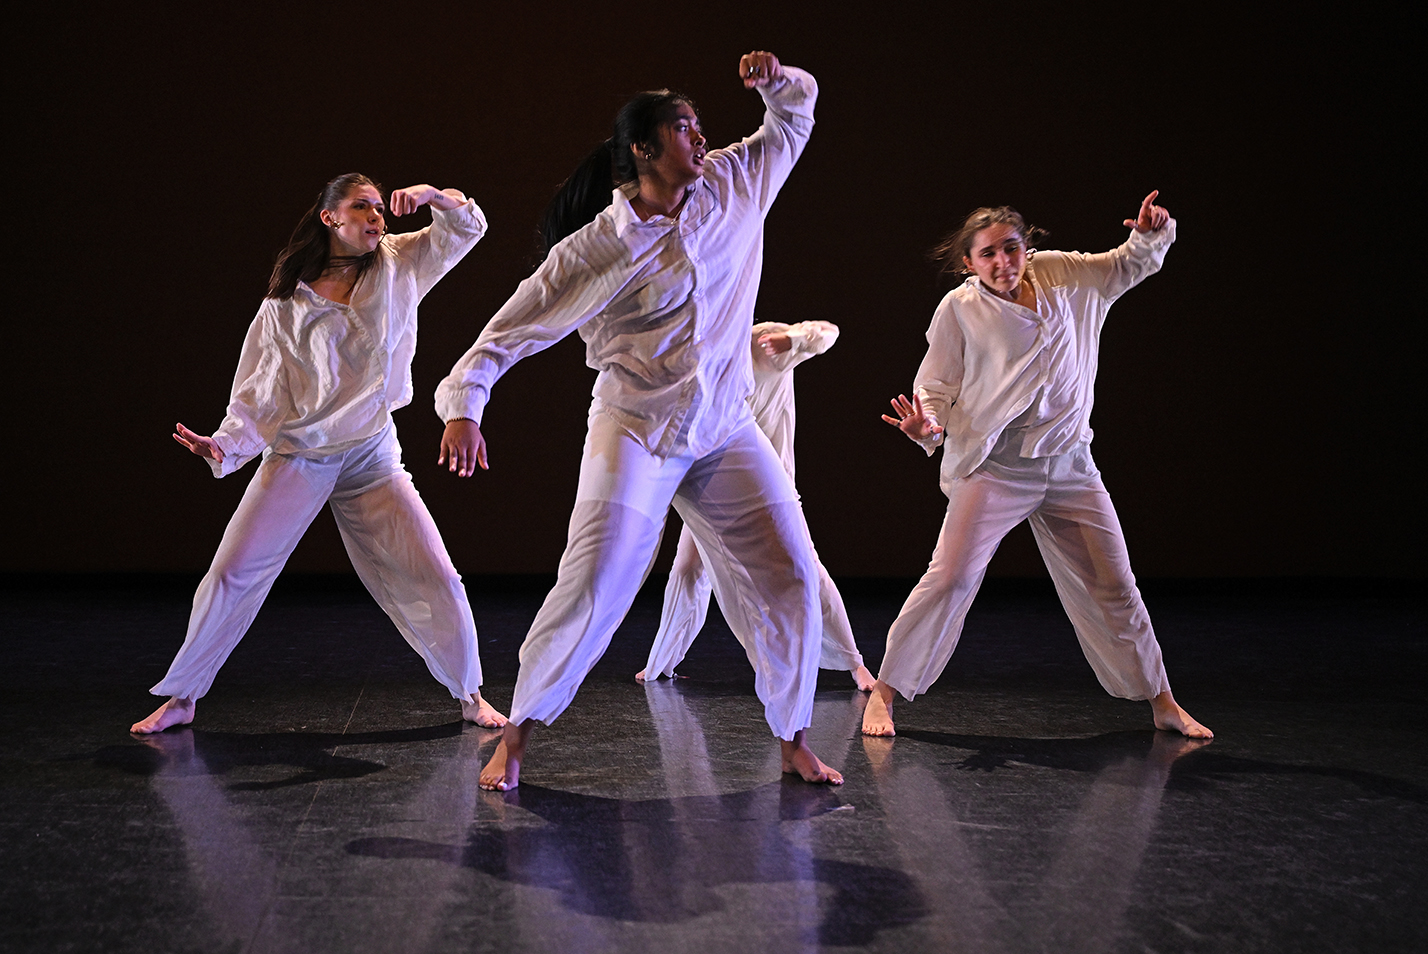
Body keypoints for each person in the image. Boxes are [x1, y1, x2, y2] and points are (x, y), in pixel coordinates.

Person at [436, 51, 843, 790]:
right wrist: (466, 404)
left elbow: (796, 118)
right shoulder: (599, 248)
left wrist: (776, 81)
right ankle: (517, 738)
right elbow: (509, 330)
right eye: (682, 128)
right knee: (597, 580)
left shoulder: (735, 183)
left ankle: (793, 738)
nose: (701, 136)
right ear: (643, 150)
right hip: (636, 429)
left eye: (699, 124)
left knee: (790, 573)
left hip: (723, 426)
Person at [131, 173, 506, 734]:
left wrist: (431, 196)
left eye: (381, 208)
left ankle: (470, 693)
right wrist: (226, 443)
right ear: (331, 218)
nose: (378, 217)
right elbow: (262, 395)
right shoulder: (285, 303)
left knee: (436, 574)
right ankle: (182, 696)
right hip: (300, 455)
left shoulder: (399, 261)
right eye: (363, 207)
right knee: (232, 572)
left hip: (371, 452)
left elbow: (467, 228)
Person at [862, 192, 1211, 740]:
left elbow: (1125, 265)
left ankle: (1161, 701)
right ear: (968, 264)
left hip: (1070, 463)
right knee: (950, 577)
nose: (1003, 262)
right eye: (987, 255)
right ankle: (883, 693)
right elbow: (934, 384)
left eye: (1011, 247)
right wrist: (927, 425)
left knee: (1115, 583)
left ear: (1028, 246)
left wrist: (1150, 235)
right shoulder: (960, 308)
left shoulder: (1063, 274)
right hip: (998, 468)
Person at [637, 320, 874, 690]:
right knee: (687, 570)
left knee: (806, 565)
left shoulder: (758, 342)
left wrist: (790, 339)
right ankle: (661, 663)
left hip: (770, 484)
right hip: (716, 484)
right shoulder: (689, 362)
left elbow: (828, 333)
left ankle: (854, 664)